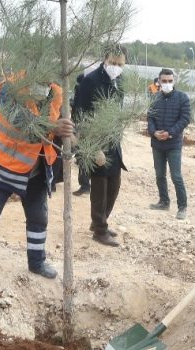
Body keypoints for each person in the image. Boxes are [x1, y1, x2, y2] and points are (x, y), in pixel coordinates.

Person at [0, 76, 75, 290]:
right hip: (2, 168)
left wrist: (71, 137)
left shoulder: (57, 92)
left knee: (38, 219)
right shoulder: (10, 88)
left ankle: (37, 262)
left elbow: (63, 128)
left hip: (36, 172)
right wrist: (53, 126)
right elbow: (22, 122)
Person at [73, 45, 127, 247]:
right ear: (105, 60)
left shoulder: (119, 81)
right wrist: (93, 147)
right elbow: (80, 116)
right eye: (113, 63)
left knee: (114, 183)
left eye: (120, 64)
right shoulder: (91, 81)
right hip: (94, 141)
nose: (116, 67)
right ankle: (99, 230)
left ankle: (99, 222)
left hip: (113, 141)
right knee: (99, 187)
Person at [147, 68, 191, 220]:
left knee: (176, 176)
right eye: (164, 81)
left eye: (169, 81)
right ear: (158, 82)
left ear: (174, 81)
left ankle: (182, 207)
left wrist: (170, 132)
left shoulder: (182, 98)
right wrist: (154, 133)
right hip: (157, 144)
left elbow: (185, 118)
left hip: (174, 144)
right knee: (160, 175)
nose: (167, 84)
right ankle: (164, 201)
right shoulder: (154, 98)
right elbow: (150, 119)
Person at [73, 72, 91, 196]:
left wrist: (78, 129)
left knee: (82, 156)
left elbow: (79, 109)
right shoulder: (83, 87)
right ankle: (85, 184)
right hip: (82, 125)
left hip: (84, 127)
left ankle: (85, 185)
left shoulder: (81, 88)